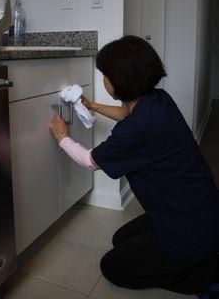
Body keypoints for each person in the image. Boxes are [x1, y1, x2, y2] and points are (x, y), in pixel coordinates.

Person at [49, 35, 219, 297]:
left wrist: (62, 138)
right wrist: (92, 105)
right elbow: (127, 114)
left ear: (118, 82)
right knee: (120, 240)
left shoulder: (136, 130)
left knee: (112, 267)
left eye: (105, 74)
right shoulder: (158, 100)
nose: (103, 79)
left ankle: (206, 274)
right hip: (201, 212)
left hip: (190, 233)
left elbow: (90, 161)